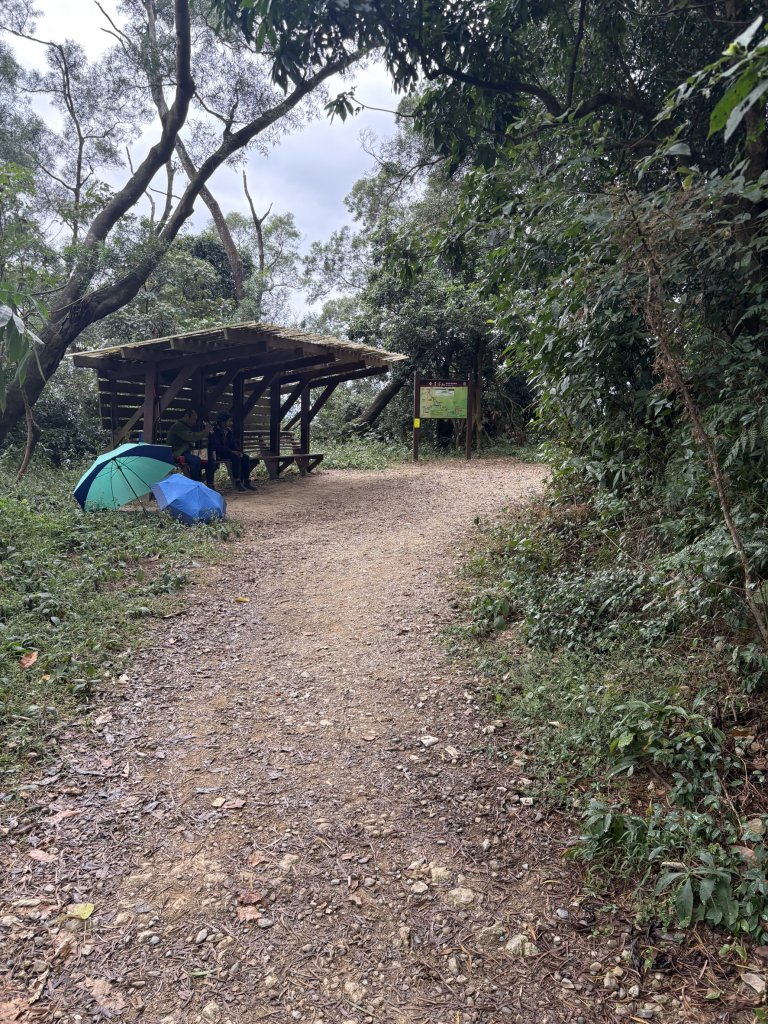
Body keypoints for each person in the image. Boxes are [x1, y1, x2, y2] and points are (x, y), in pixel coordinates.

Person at [209, 411, 253, 491]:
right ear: (223, 422)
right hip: (219, 454)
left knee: (245, 457)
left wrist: (239, 451)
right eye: (229, 420)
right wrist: (232, 452)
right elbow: (217, 446)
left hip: (228, 452)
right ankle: (237, 482)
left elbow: (233, 444)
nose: (230, 422)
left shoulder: (228, 431)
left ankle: (246, 481)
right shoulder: (215, 431)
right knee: (235, 457)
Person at [167, 407, 212, 484]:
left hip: (187, 452)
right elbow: (191, 437)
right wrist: (205, 431)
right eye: (194, 419)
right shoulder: (178, 426)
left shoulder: (184, 426)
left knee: (209, 458)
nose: (195, 422)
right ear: (186, 416)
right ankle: (195, 483)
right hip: (178, 453)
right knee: (195, 460)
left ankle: (209, 483)